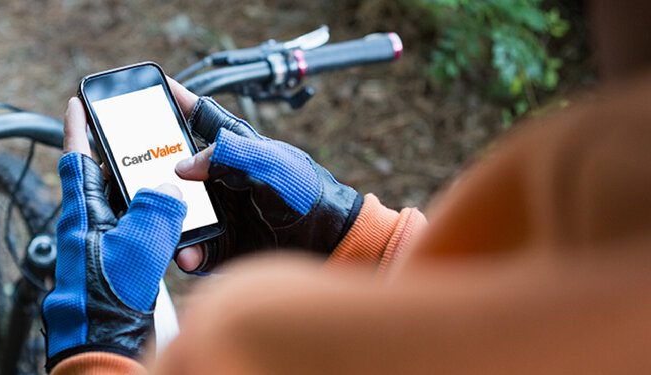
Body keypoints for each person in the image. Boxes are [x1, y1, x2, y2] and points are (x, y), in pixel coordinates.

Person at [41, 2, 651, 373]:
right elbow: (508, 306)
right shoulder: (592, 223)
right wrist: (354, 236)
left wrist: (99, 351)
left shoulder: (253, 345)